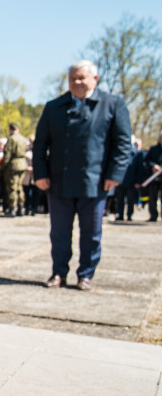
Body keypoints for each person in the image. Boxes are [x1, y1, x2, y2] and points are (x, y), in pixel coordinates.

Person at [33, 60, 132, 291]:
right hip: (59, 181)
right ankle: (58, 272)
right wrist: (41, 174)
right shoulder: (54, 107)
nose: (76, 82)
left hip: (96, 181)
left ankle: (86, 274)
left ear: (95, 79)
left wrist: (115, 174)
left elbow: (122, 144)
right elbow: (40, 144)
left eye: (81, 78)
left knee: (91, 232)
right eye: (72, 79)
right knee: (59, 232)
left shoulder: (112, 104)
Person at [0, 123, 28, 217]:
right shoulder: (23, 139)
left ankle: (12, 208)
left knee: (12, 187)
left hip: (14, 165)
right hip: (23, 164)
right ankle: (20, 208)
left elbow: (7, 154)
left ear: (10, 129)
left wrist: (3, 166)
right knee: (20, 187)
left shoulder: (12, 139)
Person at [115, 137, 144, 222]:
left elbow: (140, 168)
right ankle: (120, 214)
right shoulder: (120, 150)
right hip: (120, 180)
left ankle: (129, 215)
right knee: (120, 199)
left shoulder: (138, 153)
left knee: (130, 199)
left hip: (132, 181)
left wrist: (138, 181)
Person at [142, 131, 162, 221]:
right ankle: (153, 216)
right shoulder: (153, 149)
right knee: (152, 197)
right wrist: (153, 166)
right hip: (153, 178)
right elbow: (146, 161)